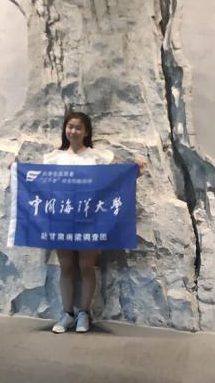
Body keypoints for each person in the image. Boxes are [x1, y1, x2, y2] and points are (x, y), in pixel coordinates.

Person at [40, 111, 143, 333]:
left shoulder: (97, 157)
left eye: (78, 127)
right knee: (66, 267)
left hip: (90, 219)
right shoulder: (54, 158)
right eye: (70, 126)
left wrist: (134, 173)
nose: (73, 131)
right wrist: (16, 171)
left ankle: (84, 313)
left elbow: (112, 182)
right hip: (62, 219)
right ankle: (67, 314)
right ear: (65, 129)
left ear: (86, 131)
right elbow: (41, 183)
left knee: (86, 267)